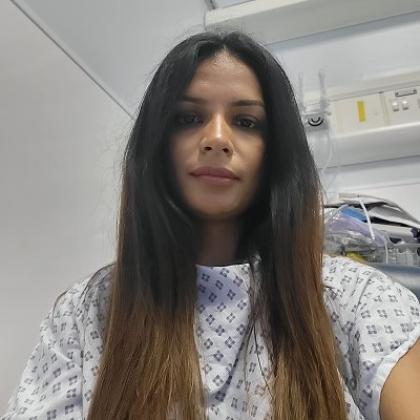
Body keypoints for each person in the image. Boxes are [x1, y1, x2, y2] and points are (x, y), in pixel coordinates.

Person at [2, 31, 420, 420]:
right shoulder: (84, 314)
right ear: (156, 147)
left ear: (274, 155)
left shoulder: (357, 299)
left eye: (246, 122)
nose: (217, 138)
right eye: (187, 118)